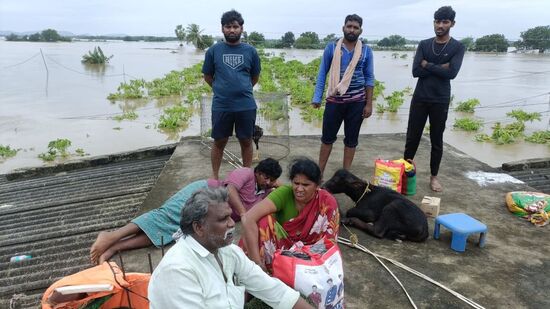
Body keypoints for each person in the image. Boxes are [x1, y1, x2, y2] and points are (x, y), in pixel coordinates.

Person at [89, 158, 281, 265]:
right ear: (259, 173)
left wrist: (273, 185)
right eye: (267, 178)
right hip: (202, 193)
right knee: (163, 216)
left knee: (170, 233)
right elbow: (230, 190)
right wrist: (243, 212)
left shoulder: (264, 192)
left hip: (209, 212)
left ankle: (115, 247)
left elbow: (283, 189)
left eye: (271, 179)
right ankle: (111, 236)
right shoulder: (246, 173)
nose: (269, 182)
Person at [148, 187, 313, 309]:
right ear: (199, 227)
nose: (232, 223)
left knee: (299, 299)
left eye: (230, 216)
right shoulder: (177, 270)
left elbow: (272, 289)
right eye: (223, 219)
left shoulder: (228, 251)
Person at [403, 6, 465, 192]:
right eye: (437, 21)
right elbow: (415, 71)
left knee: (437, 139)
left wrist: (427, 64)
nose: (440, 25)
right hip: (420, 97)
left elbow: (452, 73)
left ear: (452, 24)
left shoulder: (458, 47)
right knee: (412, 137)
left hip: (440, 99)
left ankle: (434, 177)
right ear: (434, 23)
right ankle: (406, 172)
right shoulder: (424, 44)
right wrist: (440, 67)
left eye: (445, 22)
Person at [241, 157, 340, 271]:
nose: (299, 189)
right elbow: (248, 218)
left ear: (317, 185)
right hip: (281, 249)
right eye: (296, 183)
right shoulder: (285, 193)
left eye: (306, 185)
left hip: (311, 256)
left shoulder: (327, 202)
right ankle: (265, 270)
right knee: (262, 222)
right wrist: (256, 263)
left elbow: (329, 241)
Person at [311, 14, 375, 177]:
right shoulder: (332, 48)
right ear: (343, 28)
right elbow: (322, 73)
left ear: (361, 30)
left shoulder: (366, 51)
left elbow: (369, 77)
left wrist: (369, 103)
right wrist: (317, 97)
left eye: (355, 27)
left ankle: (346, 176)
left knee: (351, 140)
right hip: (334, 101)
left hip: (357, 102)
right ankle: (319, 174)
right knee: (327, 139)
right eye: (349, 26)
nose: (352, 30)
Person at [202, 9, 261, 179]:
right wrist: (221, 89)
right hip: (222, 105)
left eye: (235, 26)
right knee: (219, 141)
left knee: (246, 141)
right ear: (222, 29)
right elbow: (207, 76)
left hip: (246, 105)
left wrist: (242, 89)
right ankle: (214, 177)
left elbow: (254, 77)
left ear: (242, 28)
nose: (232, 30)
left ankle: (246, 177)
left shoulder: (250, 51)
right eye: (228, 27)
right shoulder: (213, 51)